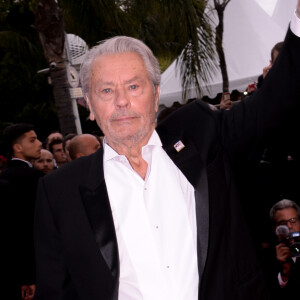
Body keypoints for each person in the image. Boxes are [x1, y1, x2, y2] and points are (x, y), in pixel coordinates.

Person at [34, 4, 300, 300]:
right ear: (90, 106)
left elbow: (275, 100)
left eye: (134, 86)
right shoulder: (60, 190)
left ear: (156, 94)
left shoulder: (202, 135)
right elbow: (56, 292)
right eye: (106, 90)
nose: (122, 101)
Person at [0, 123, 43, 300]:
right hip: (36, 264)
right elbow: (24, 229)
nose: (39, 143)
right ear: (17, 147)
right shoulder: (34, 179)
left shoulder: (4, 177)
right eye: (32, 140)